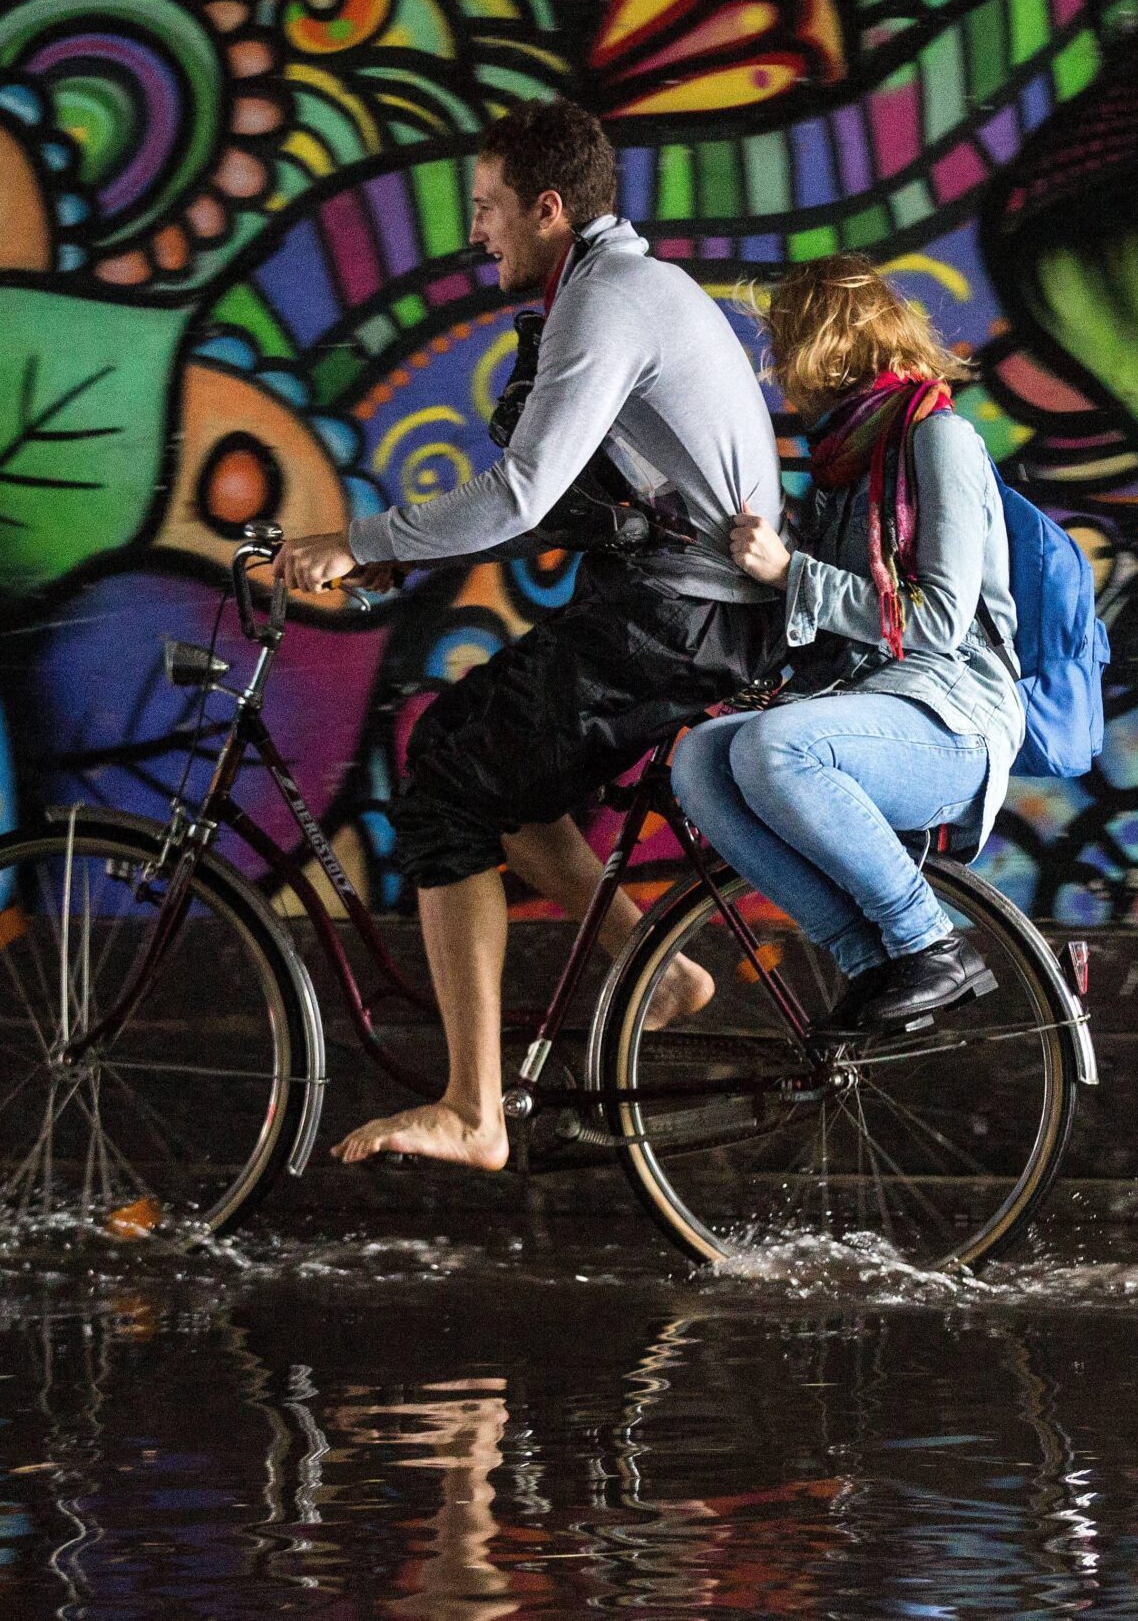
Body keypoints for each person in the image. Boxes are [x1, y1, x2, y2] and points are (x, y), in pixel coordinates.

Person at [275, 100, 785, 1170]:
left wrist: (361, 540)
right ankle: (660, 964)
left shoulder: (606, 303)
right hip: (678, 610)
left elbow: (517, 493)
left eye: (488, 208)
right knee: (505, 779)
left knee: (447, 772)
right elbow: (556, 510)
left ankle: (473, 1111)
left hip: (679, 615)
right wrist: (387, 558)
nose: (478, 232)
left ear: (549, 209)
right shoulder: (613, 292)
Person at [672, 256, 1024, 1031]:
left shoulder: (940, 441)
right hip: (870, 706)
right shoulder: (845, 466)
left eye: (786, 348)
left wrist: (789, 570)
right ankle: (869, 960)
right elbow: (838, 622)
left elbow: (936, 619)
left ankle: (930, 939)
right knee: (698, 760)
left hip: (953, 718)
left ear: (828, 346)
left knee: (774, 749)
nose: (780, 375)